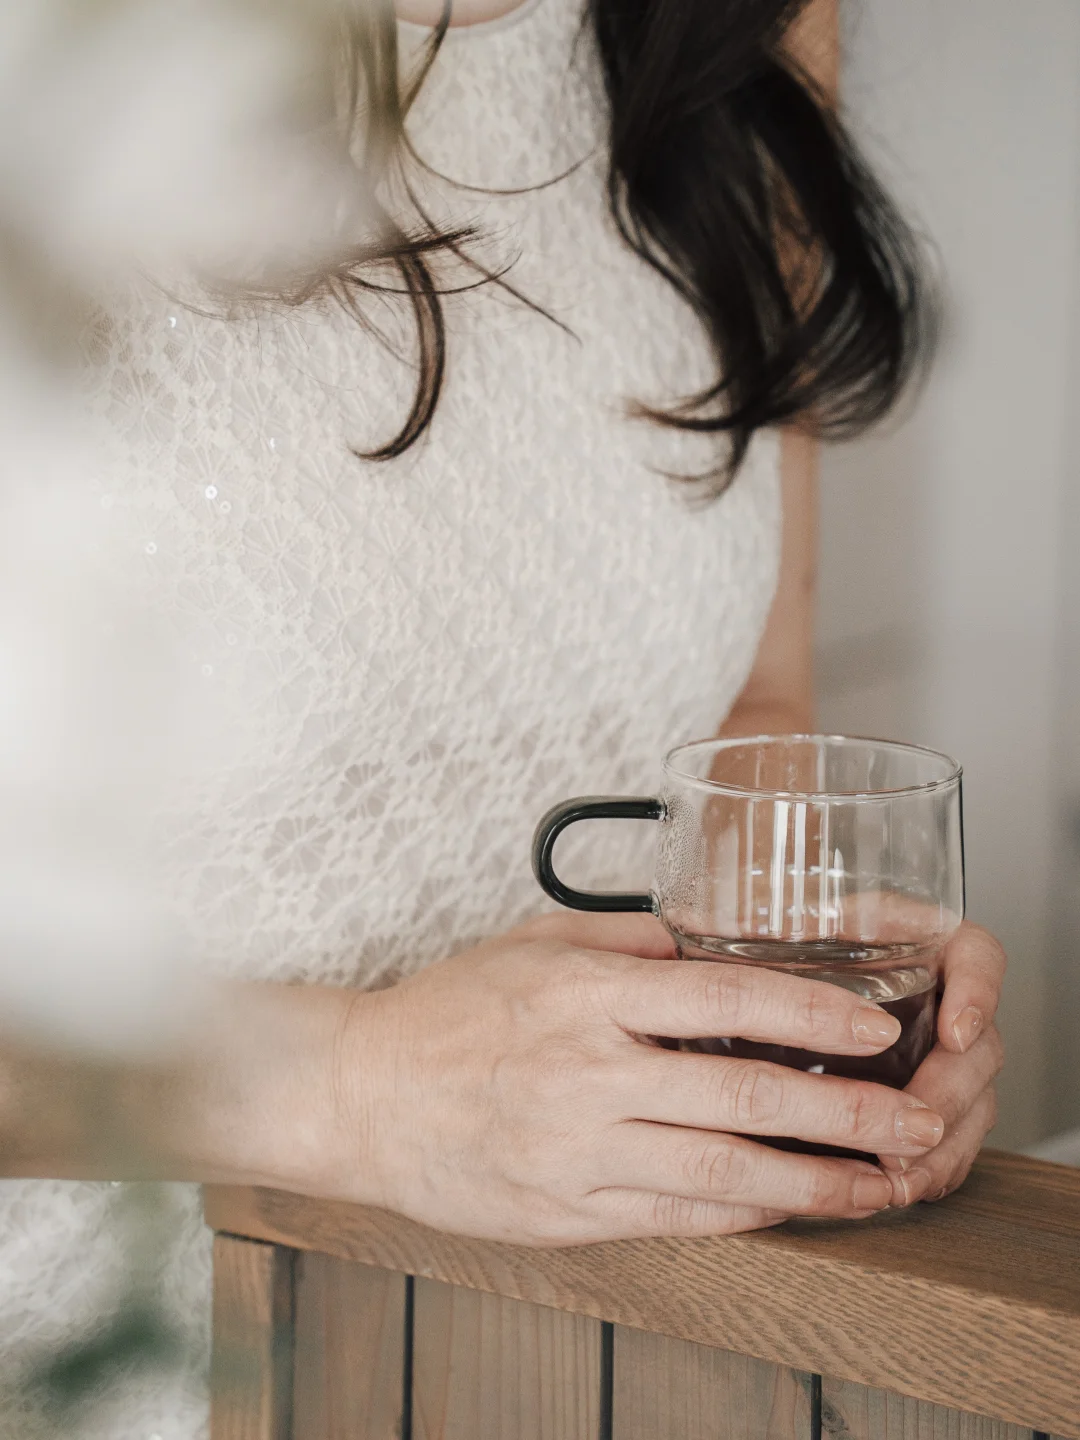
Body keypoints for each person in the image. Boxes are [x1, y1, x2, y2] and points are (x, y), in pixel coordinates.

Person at [0, 0, 1004, 1434]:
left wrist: (803, 1022)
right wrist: (357, 1093)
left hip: (536, 1359)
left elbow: (751, 702)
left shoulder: (742, 31)